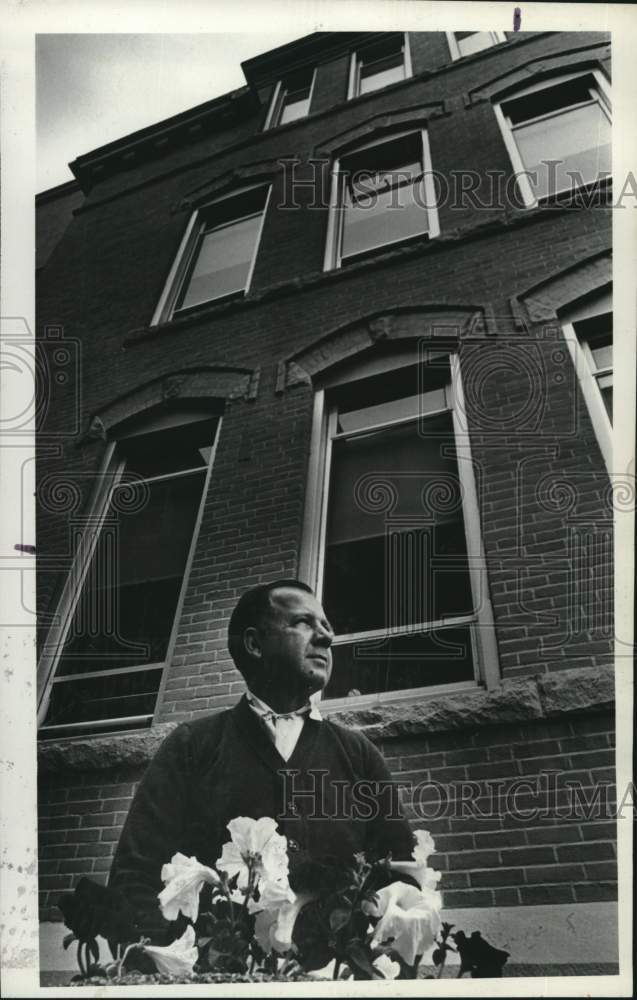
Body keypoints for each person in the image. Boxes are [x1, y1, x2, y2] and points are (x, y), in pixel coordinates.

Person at [108, 580, 414, 942]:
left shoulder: (358, 754)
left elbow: (403, 877)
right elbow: (135, 878)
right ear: (254, 644)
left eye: (326, 626)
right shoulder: (192, 746)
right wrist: (177, 960)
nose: (326, 638)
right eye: (303, 623)